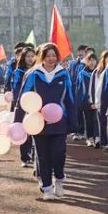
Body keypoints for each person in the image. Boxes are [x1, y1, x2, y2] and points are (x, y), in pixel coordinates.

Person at [19, 43, 77, 200]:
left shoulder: (63, 74)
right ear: (42, 57)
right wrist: (19, 121)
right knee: (43, 156)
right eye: (48, 55)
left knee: (59, 154)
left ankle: (59, 179)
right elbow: (23, 98)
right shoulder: (33, 74)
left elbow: (70, 99)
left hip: (59, 122)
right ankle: (47, 188)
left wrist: (73, 122)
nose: (51, 58)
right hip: (38, 123)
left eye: (54, 55)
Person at [10, 46, 37, 167]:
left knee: (35, 130)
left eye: (32, 56)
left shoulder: (38, 70)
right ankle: (25, 157)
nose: (30, 59)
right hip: (23, 104)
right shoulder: (19, 72)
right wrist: (20, 103)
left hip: (36, 105)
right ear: (23, 58)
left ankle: (34, 155)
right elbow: (16, 89)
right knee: (24, 130)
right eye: (28, 57)